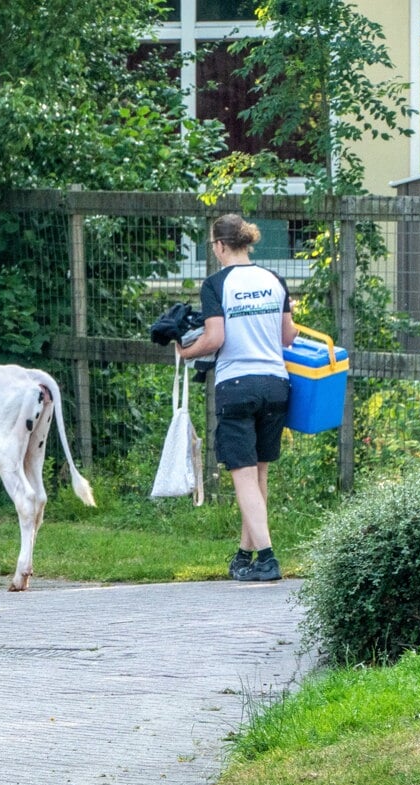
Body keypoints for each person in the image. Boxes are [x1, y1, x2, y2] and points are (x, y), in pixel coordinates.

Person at [177, 214, 298, 582]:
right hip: (276, 384)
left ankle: (267, 557)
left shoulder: (216, 284)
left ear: (219, 245)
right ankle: (246, 555)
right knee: (258, 472)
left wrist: (185, 352)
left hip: (236, 386)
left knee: (243, 476)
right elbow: (288, 336)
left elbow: (214, 338)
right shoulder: (274, 280)